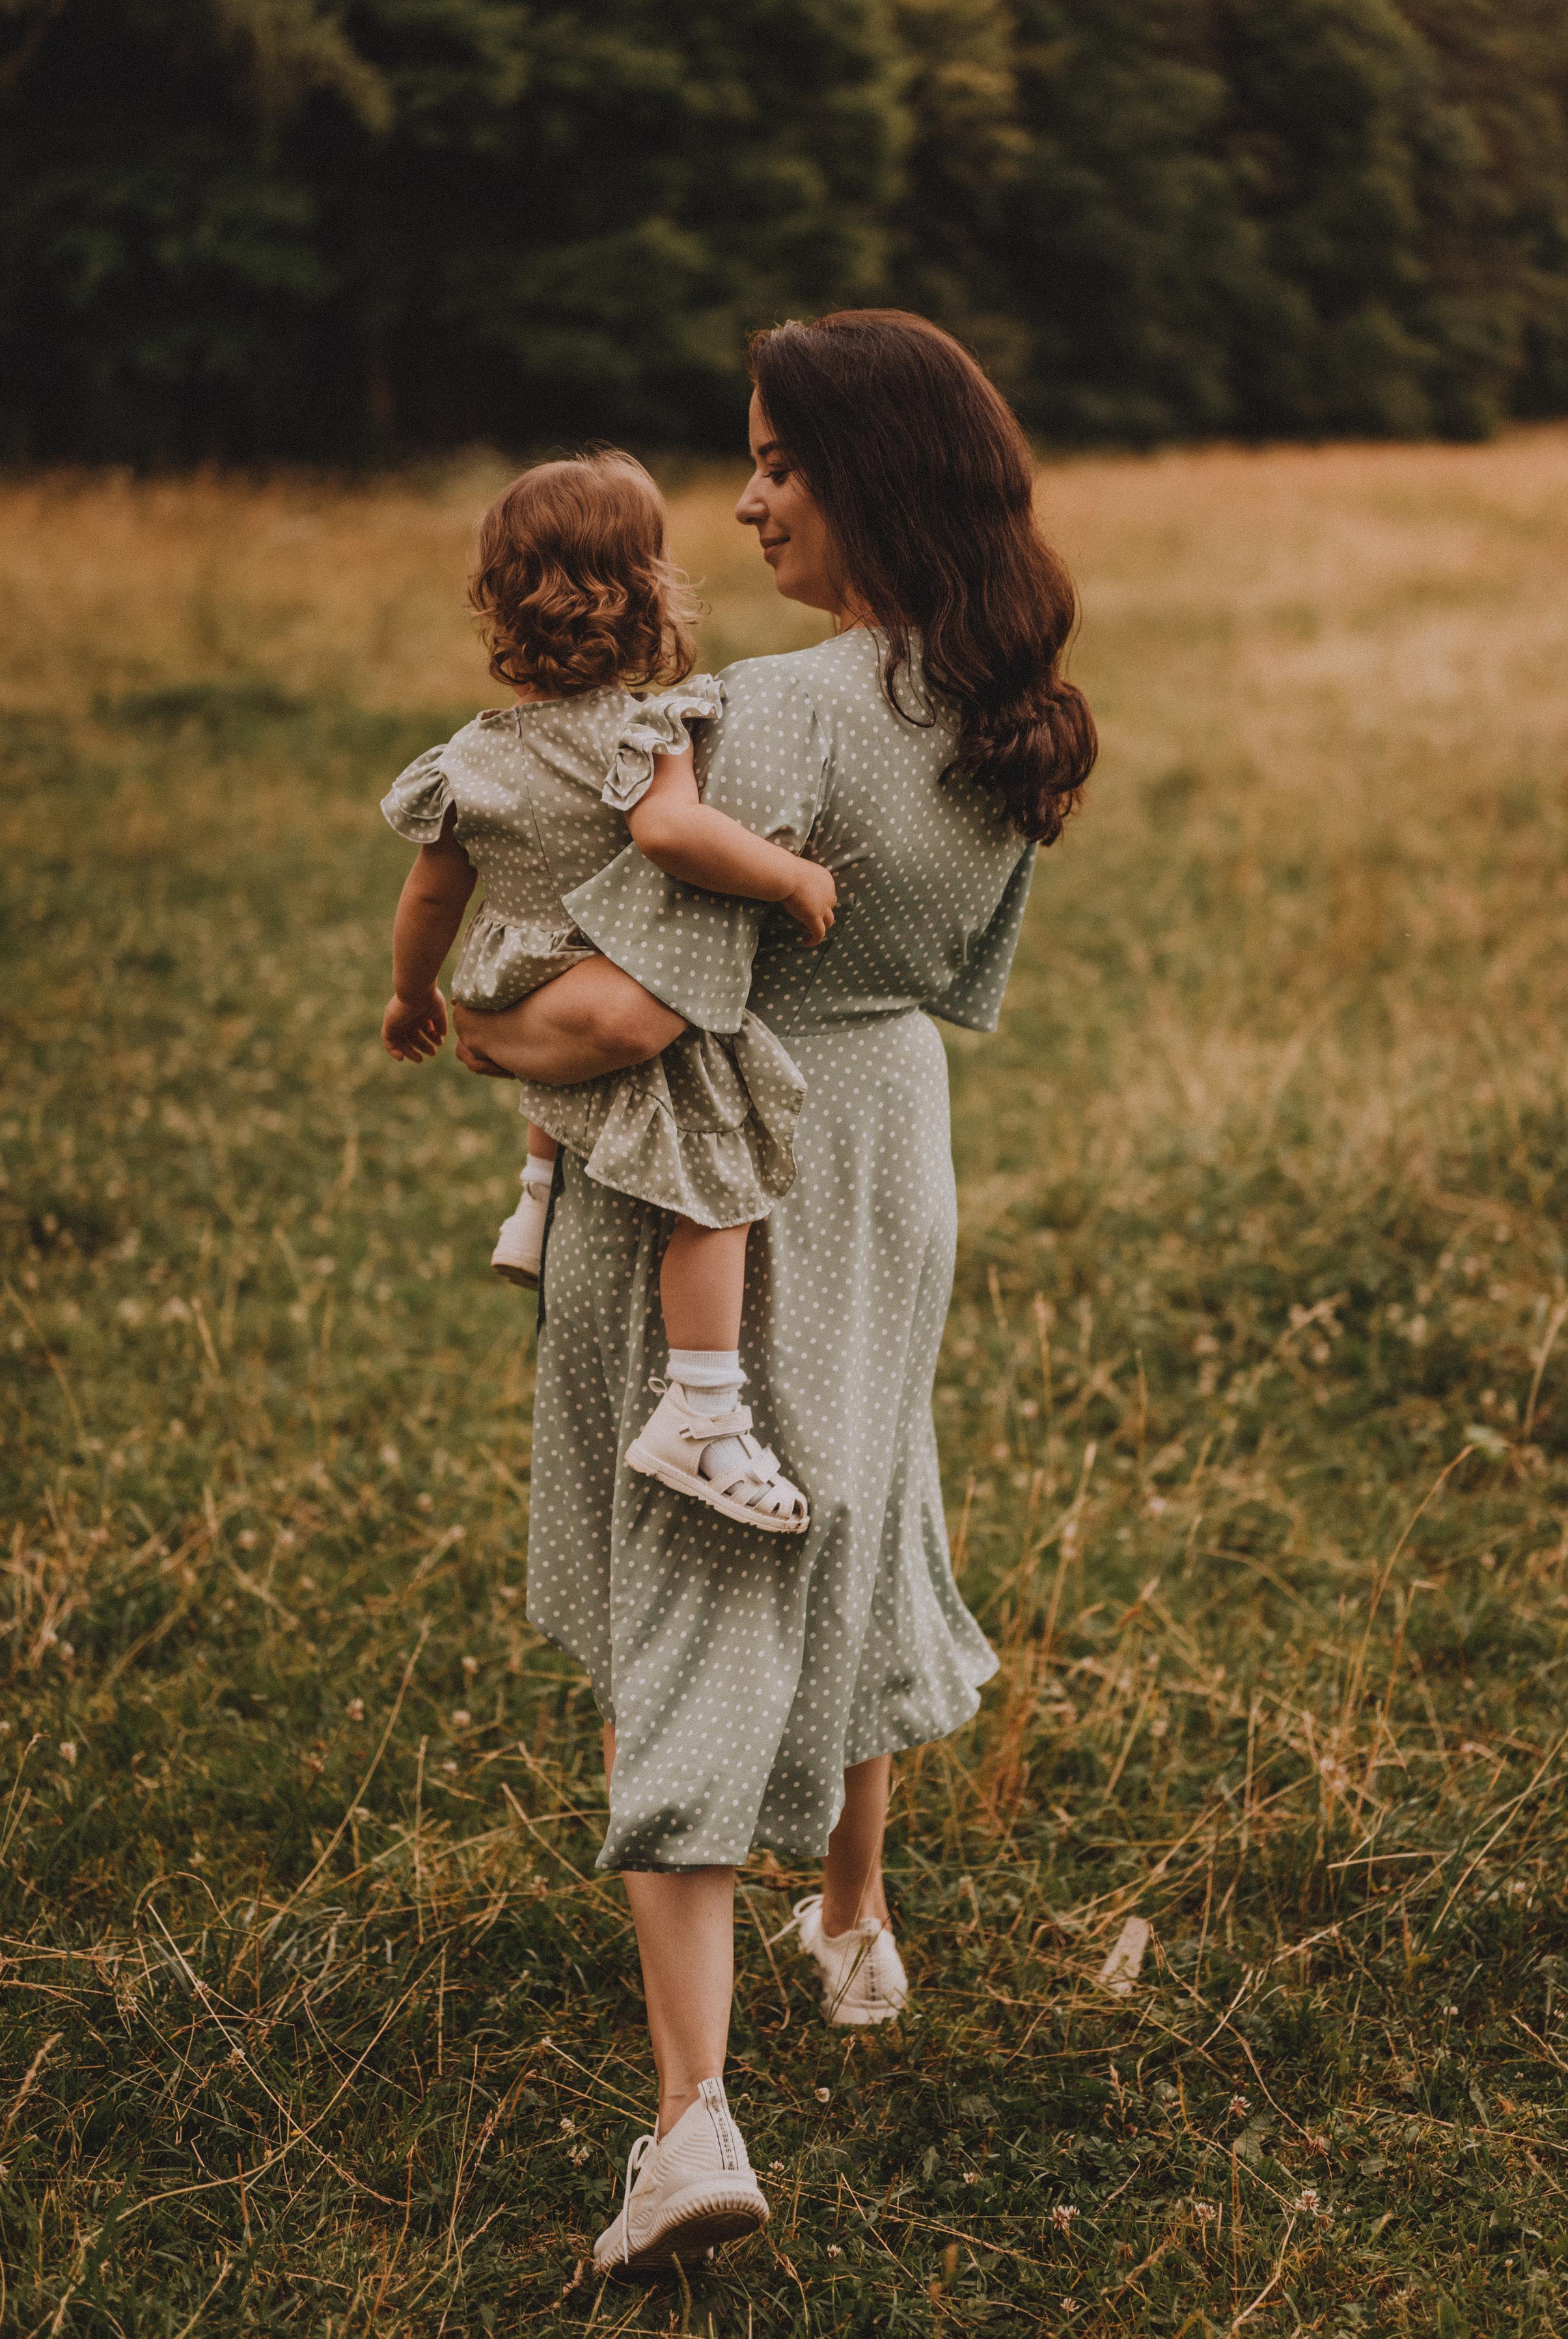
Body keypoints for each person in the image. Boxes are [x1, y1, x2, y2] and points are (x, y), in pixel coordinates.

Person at [454, 311, 1097, 2277]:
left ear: (872, 476)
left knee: (709, 1577)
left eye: (779, 466)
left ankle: (692, 2125)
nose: (742, 502)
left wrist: (476, 1035)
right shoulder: (1015, 716)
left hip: (733, 1168)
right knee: (867, 1503)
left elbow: (624, 1012)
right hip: (896, 1139)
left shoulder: (775, 711)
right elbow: (947, 985)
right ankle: (853, 1921)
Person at [380, 449, 838, 1534]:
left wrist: (412, 995)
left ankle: (535, 1203)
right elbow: (671, 834)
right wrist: (787, 875)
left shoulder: (468, 760)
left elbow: (429, 898)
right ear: (644, 593)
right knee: (715, 1188)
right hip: (608, 982)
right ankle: (702, 1408)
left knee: (565, 1031)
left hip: (510, 972)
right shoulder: (645, 729)